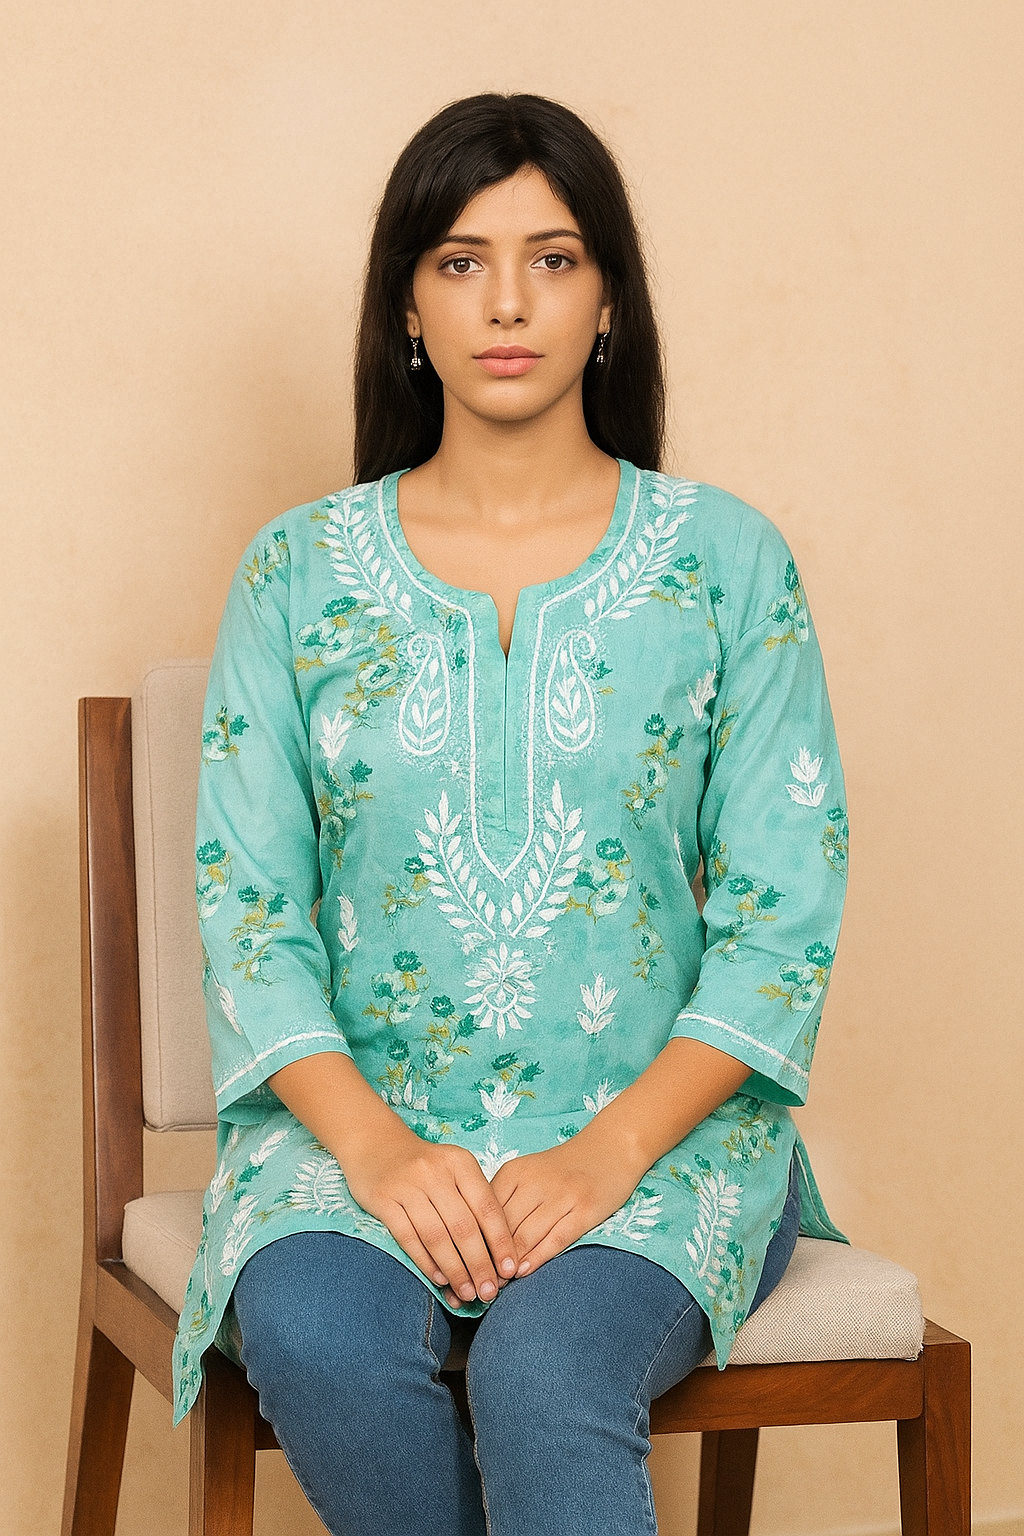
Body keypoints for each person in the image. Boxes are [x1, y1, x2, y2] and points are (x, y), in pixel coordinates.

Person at [173, 92, 849, 1536]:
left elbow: (783, 917)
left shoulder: (727, 563)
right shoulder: (294, 573)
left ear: (610, 302)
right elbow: (249, 913)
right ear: (406, 307)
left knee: (546, 1369)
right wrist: (377, 1153)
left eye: (553, 259)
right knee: (322, 1335)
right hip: (356, 1140)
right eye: (460, 260)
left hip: (661, 1140)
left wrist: (607, 1152)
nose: (507, 303)